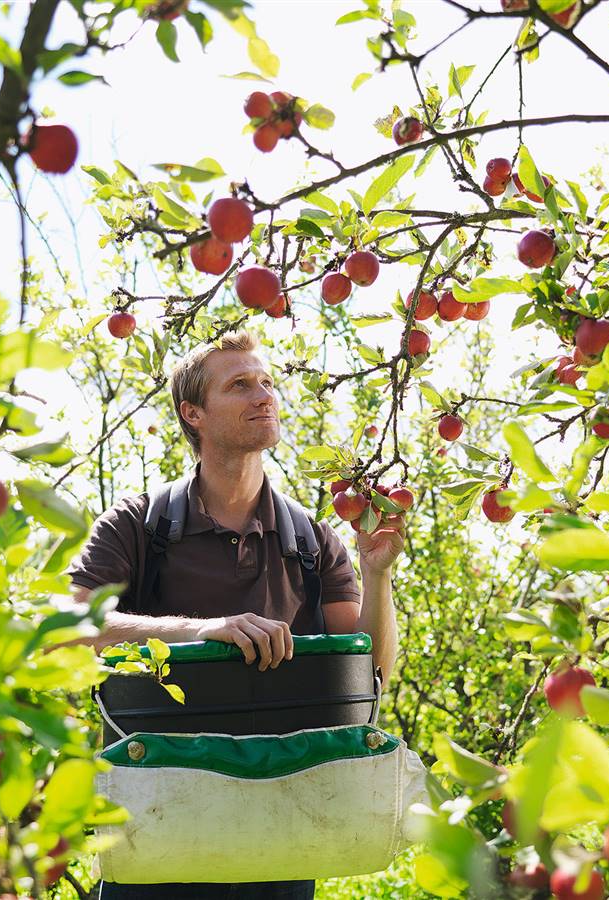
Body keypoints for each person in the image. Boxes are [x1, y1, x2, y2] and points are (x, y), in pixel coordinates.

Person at [67, 331, 404, 900]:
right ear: (192, 413)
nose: (264, 395)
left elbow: (367, 675)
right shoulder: (136, 524)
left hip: (281, 826)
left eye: (267, 382)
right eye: (241, 384)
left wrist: (377, 575)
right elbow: (67, 630)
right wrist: (202, 632)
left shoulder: (312, 538)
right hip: (158, 829)